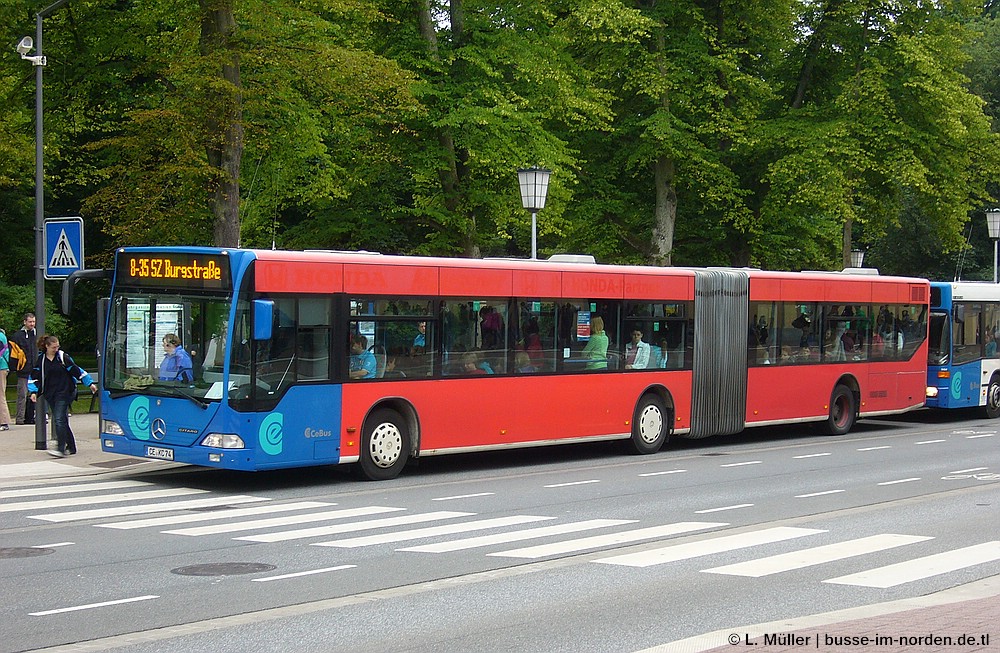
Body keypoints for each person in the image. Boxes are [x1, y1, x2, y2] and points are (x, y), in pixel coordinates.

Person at [27, 335, 97, 457]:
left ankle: (60, 448)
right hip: (50, 394)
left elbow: (76, 370)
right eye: (54, 347)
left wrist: (89, 383)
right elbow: (34, 376)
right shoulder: (41, 360)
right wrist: (33, 392)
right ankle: (71, 446)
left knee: (59, 419)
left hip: (64, 392)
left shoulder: (62, 357)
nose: (56, 349)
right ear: (47, 347)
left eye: (57, 346)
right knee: (62, 420)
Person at [11, 313, 37, 425]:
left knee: (36, 393)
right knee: (22, 394)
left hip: (35, 369)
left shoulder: (37, 334)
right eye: (30, 322)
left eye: (33, 322)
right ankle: (20, 418)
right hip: (23, 370)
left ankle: (34, 416)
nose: (32, 324)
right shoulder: (18, 336)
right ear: (24, 322)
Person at [0, 328, 11, 430]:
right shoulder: (2, 335)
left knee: (0, 395)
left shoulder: (0, 336)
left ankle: (4, 421)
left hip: (1, 367)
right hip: (3, 367)